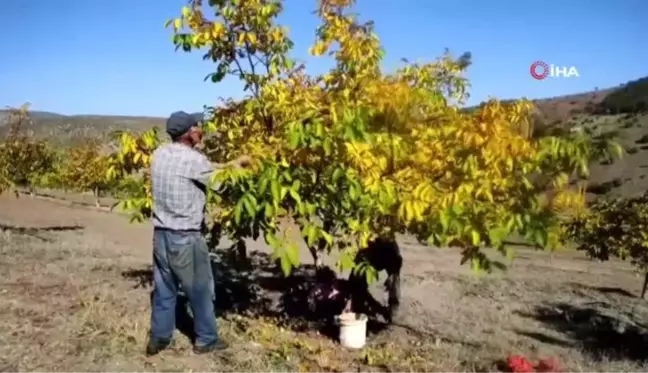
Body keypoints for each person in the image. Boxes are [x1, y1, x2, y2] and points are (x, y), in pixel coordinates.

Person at [146, 111, 250, 356]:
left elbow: (202, 168)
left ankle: (159, 338)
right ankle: (206, 339)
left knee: (164, 289)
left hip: (161, 235)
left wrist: (231, 163)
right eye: (197, 126)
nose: (201, 129)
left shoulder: (159, 154)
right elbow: (223, 184)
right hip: (186, 237)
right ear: (189, 133)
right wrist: (246, 171)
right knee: (200, 289)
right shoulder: (195, 161)